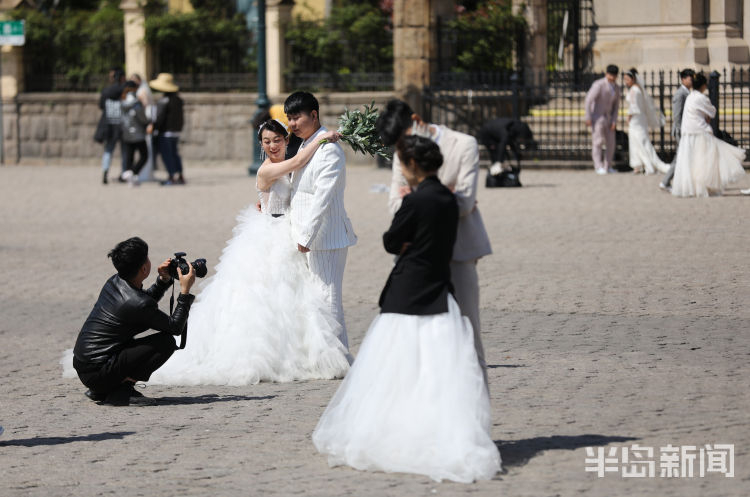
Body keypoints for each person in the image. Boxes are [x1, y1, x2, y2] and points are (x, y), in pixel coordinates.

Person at [312, 135, 502, 483]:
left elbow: (390, 241)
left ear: (413, 165)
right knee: (435, 364)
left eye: (402, 163)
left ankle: (395, 429)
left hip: (408, 287)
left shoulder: (415, 200)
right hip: (439, 286)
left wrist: (404, 210)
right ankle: (431, 427)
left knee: (394, 363)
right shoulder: (447, 197)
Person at [149, 120, 351, 385]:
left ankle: (298, 350)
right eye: (266, 142)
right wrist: (322, 139)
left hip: (287, 227)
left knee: (294, 293)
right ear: (260, 145)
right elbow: (298, 162)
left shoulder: (284, 163)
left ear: (285, 140)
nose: (272, 146)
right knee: (264, 294)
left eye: (277, 140)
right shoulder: (267, 169)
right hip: (269, 232)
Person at [376, 99, 492, 387]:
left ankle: (477, 417)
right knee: (417, 340)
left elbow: (464, 202)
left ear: (416, 120)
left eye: (403, 140)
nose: (401, 151)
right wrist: (442, 194)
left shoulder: (463, 144)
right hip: (416, 257)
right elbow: (394, 203)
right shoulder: (401, 152)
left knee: (467, 332)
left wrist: (416, 197)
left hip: (459, 250)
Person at [68, 237, 196, 406]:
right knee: (166, 342)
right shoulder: (138, 303)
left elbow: (143, 305)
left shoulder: (114, 281)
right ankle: (122, 392)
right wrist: (185, 292)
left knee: (140, 342)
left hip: (85, 365)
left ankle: (103, 389)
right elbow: (174, 327)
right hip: (99, 373)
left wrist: (163, 280)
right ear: (144, 268)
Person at [285, 91, 358, 351]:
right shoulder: (305, 144)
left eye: (297, 117)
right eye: (289, 118)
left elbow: (322, 200)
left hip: (324, 237)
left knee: (327, 298)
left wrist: (306, 236)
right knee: (312, 298)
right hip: (303, 235)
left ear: (314, 115)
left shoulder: (330, 152)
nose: (292, 124)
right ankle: (319, 353)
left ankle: (336, 355)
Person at [671, 73, 746, 197]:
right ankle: (704, 186)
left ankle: (692, 188)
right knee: (705, 161)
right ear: (703, 85)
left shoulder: (690, 96)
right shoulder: (701, 98)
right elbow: (712, 111)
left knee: (690, 161)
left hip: (688, 133)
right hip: (700, 132)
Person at [623, 68, 670, 175]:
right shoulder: (639, 89)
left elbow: (634, 106)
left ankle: (644, 164)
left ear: (633, 79)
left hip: (636, 118)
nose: (626, 82)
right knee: (640, 141)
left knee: (638, 141)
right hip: (640, 118)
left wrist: (629, 116)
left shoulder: (634, 90)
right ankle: (639, 165)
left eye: (627, 79)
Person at [660, 69, 695, 192]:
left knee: (682, 156)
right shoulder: (680, 94)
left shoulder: (687, 92)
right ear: (683, 79)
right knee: (680, 157)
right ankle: (665, 181)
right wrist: (681, 130)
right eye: (690, 78)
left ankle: (669, 181)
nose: (691, 81)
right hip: (681, 131)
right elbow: (677, 114)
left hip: (684, 130)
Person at [585, 64, 621, 174]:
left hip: (609, 118)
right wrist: (588, 116)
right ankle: (598, 166)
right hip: (597, 117)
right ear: (607, 74)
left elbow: (616, 106)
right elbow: (588, 100)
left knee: (611, 143)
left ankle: (607, 165)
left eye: (614, 75)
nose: (612, 77)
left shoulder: (616, 87)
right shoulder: (599, 85)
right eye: (610, 75)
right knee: (598, 142)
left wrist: (614, 120)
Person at [150, 73, 185, 185]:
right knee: (174, 154)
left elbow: (159, 118)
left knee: (167, 155)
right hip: (175, 131)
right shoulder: (178, 100)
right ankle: (179, 175)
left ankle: (171, 176)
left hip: (166, 132)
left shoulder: (163, 101)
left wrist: (153, 127)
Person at [98, 67, 126, 184]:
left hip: (109, 123)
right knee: (125, 151)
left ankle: (105, 171)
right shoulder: (125, 90)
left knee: (108, 150)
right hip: (122, 123)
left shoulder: (106, 91)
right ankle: (124, 173)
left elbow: (101, 106)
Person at [119, 81, 150, 186]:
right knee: (144, 156)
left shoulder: (122, 102)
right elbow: (143, 118)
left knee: (129, 157)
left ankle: (130, 178)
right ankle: (132, 172)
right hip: (138, 134)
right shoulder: (136, 104)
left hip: (126, 133)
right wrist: (148, 123)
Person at [130, 73, 157, 182]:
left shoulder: (141, 92)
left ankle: (142, 173)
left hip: (143, 118)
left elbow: (146, 105)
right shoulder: (143, 90)